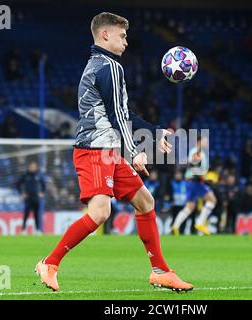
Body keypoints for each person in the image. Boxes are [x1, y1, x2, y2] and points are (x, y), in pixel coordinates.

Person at [35, 12, 192, 292]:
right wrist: (134, 152)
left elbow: (123, 113)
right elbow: (118, 116)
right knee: (100, 212)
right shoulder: (108, 66)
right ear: (105, 34)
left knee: (145, 201)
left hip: (106, 150)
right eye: (122, 36)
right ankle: (50, 262)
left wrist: (154, 132)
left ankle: (160, 271)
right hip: (95, 149)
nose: (127, 42)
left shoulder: (100, 65)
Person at [171, 136, 217, 235]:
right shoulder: (198, 152)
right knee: (212, 200)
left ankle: (175, 226)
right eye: (205, 141)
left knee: (190, 206)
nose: (207, 143)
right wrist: (203, 178)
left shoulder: (196, 152)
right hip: (195, 181)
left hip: (190, 181)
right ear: (199, 141)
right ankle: (200, 223)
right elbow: (193, 166)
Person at [17, 161, 45, 235]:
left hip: (36, 198)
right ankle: (23, 230)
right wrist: (22, 193)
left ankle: (37, 230)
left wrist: (42, 192)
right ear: (29, 167)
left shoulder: (38, 175)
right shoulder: (25, 175)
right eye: (31, 167)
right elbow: (18, 184)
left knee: (36, 215)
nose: (32, 168)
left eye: (34, 167)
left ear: (36, 167)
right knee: (26, 214)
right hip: (28, 198)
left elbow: (44, 184)